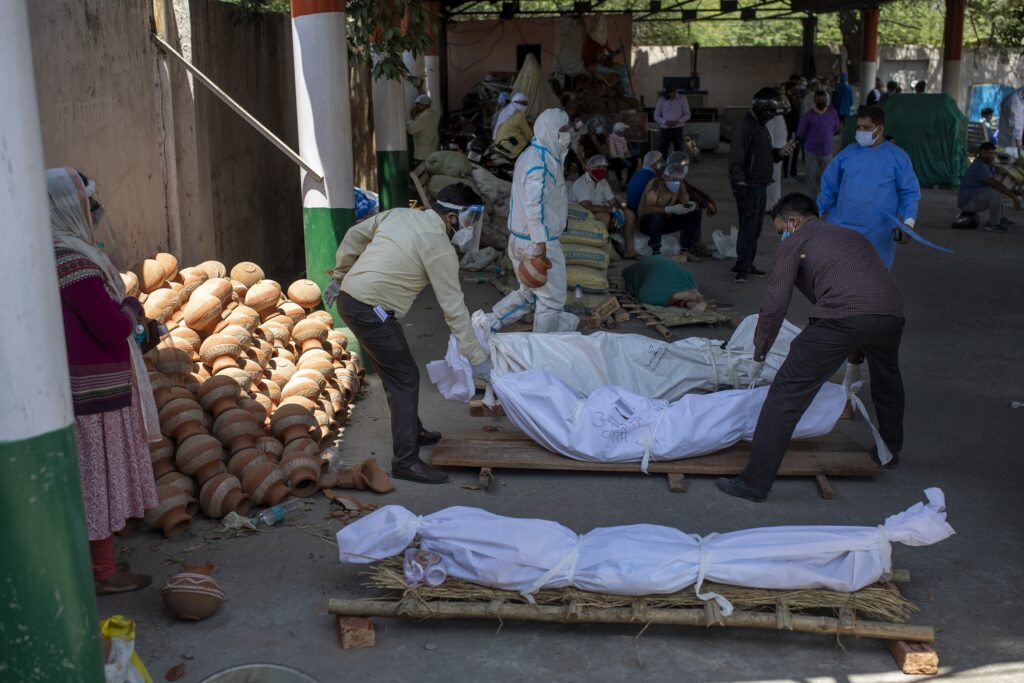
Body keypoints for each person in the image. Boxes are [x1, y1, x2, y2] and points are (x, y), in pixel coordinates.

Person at [716, 193, 906, 502]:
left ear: (792, 221)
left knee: (786, 394)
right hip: (891, 313)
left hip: (841, 318)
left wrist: (759, 352)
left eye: (780, 231)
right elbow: (862, 285)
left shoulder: (796, 240)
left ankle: (753, 483)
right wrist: (856, 354)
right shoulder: (850, 235)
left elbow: (776, 301)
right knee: (888, 382)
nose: (782, 237)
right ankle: (890, 451)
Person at [324, 183, 491, 484]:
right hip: (371, 311)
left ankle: (414, 431)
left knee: (395, 372)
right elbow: (453, 307)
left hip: (350, 299)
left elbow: (353, 235)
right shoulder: (440, 248)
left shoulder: (400, 215)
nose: (469, 229)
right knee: (406, 378)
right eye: (468, 221)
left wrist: (339, 277)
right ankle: (405, 461)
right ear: (452, 218)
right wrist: (477, 357)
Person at [48, 167, 159, 593]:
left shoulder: (56, 254)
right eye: (87, 205)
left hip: (85, 386)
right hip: (94, 394)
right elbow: (111, 328)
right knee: (98, 483)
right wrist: (131, 307)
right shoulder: (72, 263)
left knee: (94, 481)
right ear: (67, 209)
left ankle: (99, 562)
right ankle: (103, 573)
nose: (95, 213)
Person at [486, 108, 577, 333]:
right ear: (549, 131)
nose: (567, 135)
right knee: (551, 302)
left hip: (520, 239)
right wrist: (541, 244)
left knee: (528, 295)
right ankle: (542, 354)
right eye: (562, 130)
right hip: (537, 241)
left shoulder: (533, 155)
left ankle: (485, 324)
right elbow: (534, 207)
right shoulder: (540, 163)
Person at [817, 106, 921, 269]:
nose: (861, 131)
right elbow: (828, 188)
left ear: (880, 129)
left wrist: (908, 225)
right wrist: (814, 213)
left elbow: (909, 193)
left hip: (878, 233)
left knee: (872, 283)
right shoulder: (846, 154)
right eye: (858, 127)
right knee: (838, 279)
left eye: (866, 128)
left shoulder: (898, 158)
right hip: (841, 228)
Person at [729, 87, 795, 283]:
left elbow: (763, 153)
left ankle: (748, 263)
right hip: (748, 186)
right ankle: (741, 268)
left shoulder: (760, 125)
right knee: (748, 228)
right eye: (773, 113)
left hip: (760, 184)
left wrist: (779, 154)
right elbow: (736, 159)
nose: (774, 117)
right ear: (764, 110)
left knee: (755, 229)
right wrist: (740, 186)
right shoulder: (744, 126)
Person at [571, 154, 638, 259]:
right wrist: (611, 210)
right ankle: (604, 254)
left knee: (629, 214)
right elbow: (587, 207)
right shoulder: (581, 183)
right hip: (582, 216)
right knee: (605, 216)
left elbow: (612, 201)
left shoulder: (603, 182)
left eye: (604, 167)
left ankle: (629, 251)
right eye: (598, 167)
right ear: (589, 168)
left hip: (601, 212)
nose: (601, 170)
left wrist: (620, 211)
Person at [637, 162, 703, 256]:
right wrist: (669, 209)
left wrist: (689, 205)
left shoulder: (679, 183)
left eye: (680, 180)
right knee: (656, 217)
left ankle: (685, 249)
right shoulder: (656, 185)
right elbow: (648, 209)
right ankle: (656, 251)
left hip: (665, 220)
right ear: (665, 177)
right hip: (647, 223)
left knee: (695, 212)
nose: (677, 182)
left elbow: (684, 199)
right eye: (675, 179)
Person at [957, 142, 1021, 232]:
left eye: (991, 153)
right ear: (980, 153)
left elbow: (1003, 164)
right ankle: (993, 224)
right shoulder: (980, 166)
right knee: (996, 192)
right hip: (967, 203)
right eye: (985, 153)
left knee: (997, 190)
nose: (989, 155)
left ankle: (1001, 218)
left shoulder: (988, 163)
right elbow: (995, 184)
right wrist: (1014, 197)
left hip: (973, 198)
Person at [623, 255, 706, 314]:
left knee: (647, 294)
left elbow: (625, 273)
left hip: (655, 269)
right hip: (682, 274)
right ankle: (689, 301)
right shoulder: (659, 261)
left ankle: (676, 296)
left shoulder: (635, 270)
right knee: (681, 283)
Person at [796, 90, 840, 197]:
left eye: (823, 100)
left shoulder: (832, 113)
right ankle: (813, 201)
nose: (821, 101)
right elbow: (801, 133)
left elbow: (836, 128)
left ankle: (825, 199)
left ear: (827, 100)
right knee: (811, 177)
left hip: (827, 151)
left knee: (827, 177)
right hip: (812, 151)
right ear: (814, 101)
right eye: (819, 100)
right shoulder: (808, 116)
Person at [492, 92, 533, 160]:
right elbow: (528, 134)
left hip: (499, 143)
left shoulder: (506, 111)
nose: (524, 106)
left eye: (525, 104)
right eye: (523, 103)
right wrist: (535, 141)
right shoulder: (519, 115)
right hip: (510, 146)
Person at [654, 87, 691, 156]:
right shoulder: (661, 99)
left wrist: (678, 121)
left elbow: (687, 114)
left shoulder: (682, 99)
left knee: (679, 150)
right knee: (662, 150)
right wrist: (665, 122)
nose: (665, 96)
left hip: (678, 129)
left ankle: (677, 166)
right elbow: (656, 116)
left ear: (673, 93)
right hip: (665, 129)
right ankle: (663, 165)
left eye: (667, 95)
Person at [406, 94, 439, 164]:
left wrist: (412, 118)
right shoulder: (433, 115)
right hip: (431, 151)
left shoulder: (424, 117)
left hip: (423, 154)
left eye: (418, 104)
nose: (416, 107)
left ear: (423, 105)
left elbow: (411, 130)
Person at [783, 81, 803, 180]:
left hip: (795, 129)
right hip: (791, 130)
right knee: (789, 152)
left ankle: (793, 172)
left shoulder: (795, 99)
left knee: (795, 152)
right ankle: (787, 174)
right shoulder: (787, 100)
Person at [606, 121, 636, 188]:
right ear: (620, 130)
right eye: (624, 130)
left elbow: (625, 150)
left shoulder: (623, 138)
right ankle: (621, 181)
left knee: (634, 159)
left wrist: (628, 153)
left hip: (623, 157)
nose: (625, 131)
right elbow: (613, 154)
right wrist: (622, 157)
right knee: (617, 161)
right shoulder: (611, 138)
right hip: (614, 159)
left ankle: (628, 181)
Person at [997, 87, 1024, 160]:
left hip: (1006, 143)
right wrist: (1018, 139)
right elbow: (1016, 123)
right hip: (1010, 145)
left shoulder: (1013, 98)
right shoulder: (1014, 101)